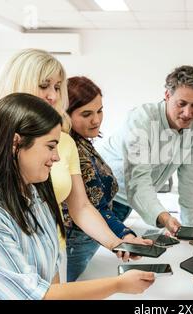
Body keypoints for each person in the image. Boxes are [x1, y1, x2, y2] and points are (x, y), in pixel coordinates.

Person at [0, 49, 148, 281]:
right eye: (44, 85)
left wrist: (117, 242)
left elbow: (80, 206)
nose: (53, 96)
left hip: (51, 250)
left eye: (57, 87)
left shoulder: (63, 141)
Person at [95, 65, 193, 236]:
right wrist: (165, 218)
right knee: (91, 256)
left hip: (136, 201)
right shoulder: (141, 120)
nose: (188, 113)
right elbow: (138, 180)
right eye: (182, 104)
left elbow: (189, 179)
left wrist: (189, 229)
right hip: (107, 198)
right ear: (167, 96)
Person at [64, 76, 141, 281]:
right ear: (66, 114)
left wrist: (124, 236)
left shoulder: (82, 142)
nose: (96, 120)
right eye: (86, 114)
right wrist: (124, 235)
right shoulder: (69, 148)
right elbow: (90, 206)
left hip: (89, 237)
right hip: (75, 242)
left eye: (99, 110)